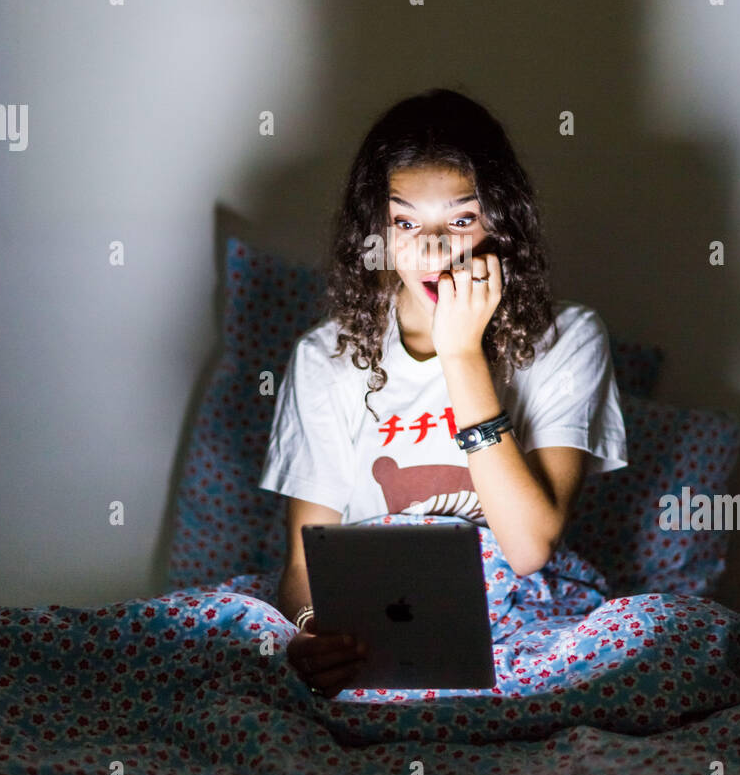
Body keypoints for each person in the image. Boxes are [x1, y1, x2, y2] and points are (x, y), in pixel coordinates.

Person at [258, 87, 627, 697]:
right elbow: (304, 561)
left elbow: (530, 545)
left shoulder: (569, 338)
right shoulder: (323, 356)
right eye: (406, 222)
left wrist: (460, 353)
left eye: (460, 220)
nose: (432, 251)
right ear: (375, 230)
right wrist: (314, 630)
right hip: (377, 619)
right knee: (199, 636)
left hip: (520, 622)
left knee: (663, 634)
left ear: (501, 223)